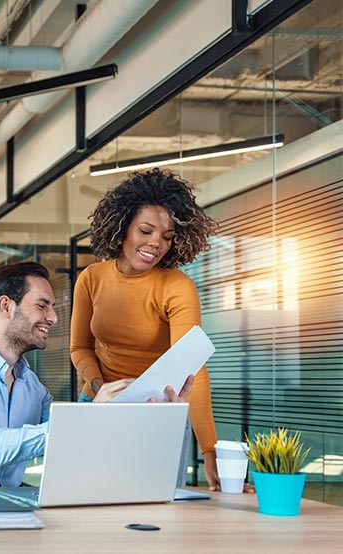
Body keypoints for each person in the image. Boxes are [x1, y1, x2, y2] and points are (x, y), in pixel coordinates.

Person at [0, 261, 192, 488]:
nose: (54, 318)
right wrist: (91, 415)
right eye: (42, 305)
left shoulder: (31, 386)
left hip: (5, 509)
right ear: (6, 306)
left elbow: (76, 443)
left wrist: (154, 413)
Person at [70, 167, 222, 490]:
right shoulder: (91, 279)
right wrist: (100, 389)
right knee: (89, 498)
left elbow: (195, 370)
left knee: (160, 508)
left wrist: (210, 449)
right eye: (146, 231)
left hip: (157, 411)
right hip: (99, 405)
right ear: (122, 228)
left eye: (166, 237)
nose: (156, 244)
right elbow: (79, 348)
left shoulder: (177, 287)